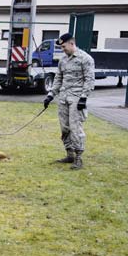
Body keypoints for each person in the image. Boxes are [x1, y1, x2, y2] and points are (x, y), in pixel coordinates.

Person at [43, 33, 95, 170]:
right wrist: (50, 95)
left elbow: (89, 80)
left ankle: (78, 158)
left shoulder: (85, 59)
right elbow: (58, 79)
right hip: (64, 98)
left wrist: (84, 97)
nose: (63, 49)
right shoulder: (63, 60)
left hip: (77, 99)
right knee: (64, 128)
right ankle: (69, 154)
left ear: (72, 44)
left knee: (75, 128)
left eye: (64, 46)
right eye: (61, 47)